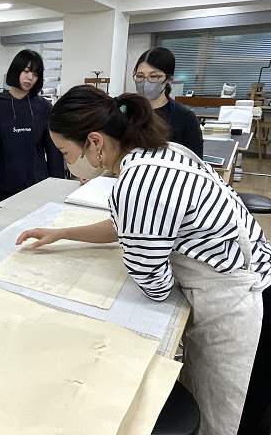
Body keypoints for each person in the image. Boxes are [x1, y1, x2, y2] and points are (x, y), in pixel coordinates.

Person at [16, 84, 271, 435]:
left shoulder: (139, 181)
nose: (68, 163)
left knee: (227, 414)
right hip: (247, 277)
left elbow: (155, 285)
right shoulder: (157, 153)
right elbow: (127, 225)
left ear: (94, 142)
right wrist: (62, 233)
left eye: (66, 152)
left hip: (243, 303)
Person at [0, 49, 64, 203]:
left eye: (35, 74)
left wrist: (57, 186)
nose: (30, 78)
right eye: (26, 71)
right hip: (4, 189)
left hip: (38, 186)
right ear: (16, 70)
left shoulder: (44, 107)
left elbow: (54, 152)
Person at [134, 47, 203, 157]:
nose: (145, 82)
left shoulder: (185, 118)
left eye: (154, 76)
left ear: (169, 80)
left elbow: (196, 161)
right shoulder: (128, 111)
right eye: (140, 76)